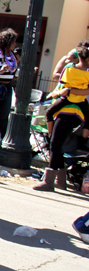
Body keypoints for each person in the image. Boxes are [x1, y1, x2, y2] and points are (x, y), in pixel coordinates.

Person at [33, 46, 89, 192]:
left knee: (55, 145)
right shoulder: (79, 71)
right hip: (75, 107)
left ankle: (49, 181)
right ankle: (60, 180)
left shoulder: (71, 69)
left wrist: (69, 90)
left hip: (69, 109)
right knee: (57, 146)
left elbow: (60, 78)